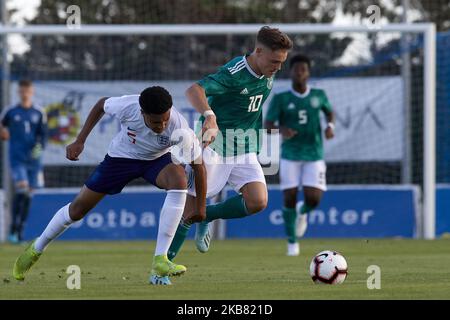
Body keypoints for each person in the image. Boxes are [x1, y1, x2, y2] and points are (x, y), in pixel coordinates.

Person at [12, 86, 207, 286]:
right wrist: (80, 141)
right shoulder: (129, 106)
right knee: (77, 210)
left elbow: (198, 166)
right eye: (156, 122)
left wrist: (200, 208)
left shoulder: (180, 128)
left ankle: (161, 259)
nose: (162, 125)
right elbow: (101, 105)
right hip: (120, 159)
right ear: (142, 113)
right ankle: (37, 248)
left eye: (165, 119)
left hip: (156, 160)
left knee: (179, 180)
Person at [168, 26, 293, 260]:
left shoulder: (268, 71)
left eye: (282, 62)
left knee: (258, 201)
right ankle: (162, 267)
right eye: (275, 61)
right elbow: (194, 89)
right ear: (258, 51)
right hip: (214, 144)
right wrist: (210, 116)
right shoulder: (234, 74)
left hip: (244, 145)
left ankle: (208, 215)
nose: (278, 67)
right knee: (189, 211)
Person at [265, 54, 335, 256]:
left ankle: (302, 212)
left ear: (308, 72)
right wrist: (282, 129)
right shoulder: (281, 98)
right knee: (289, 197)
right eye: (296, 69)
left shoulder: (319, 95)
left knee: (314, 199)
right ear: (291, 72)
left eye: (303, 69)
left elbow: (330, 112)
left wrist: (330, 126)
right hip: (290, 154)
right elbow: (268, 124)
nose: (300, 72)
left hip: (314, 153)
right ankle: (292, 243)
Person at [0, 79, 47, 243]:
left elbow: (43, 136)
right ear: (18, 92)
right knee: (22, 189)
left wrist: (38, 149)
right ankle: (13, 229)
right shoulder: (11, 111)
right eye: (22, 90)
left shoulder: (39, 112)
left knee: (29, 195)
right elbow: (1, 124)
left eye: (27, 90)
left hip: (34, 162)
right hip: (17, 159)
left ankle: (19, 232)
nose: (24, 93)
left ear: (32, 92)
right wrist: (3, 132)